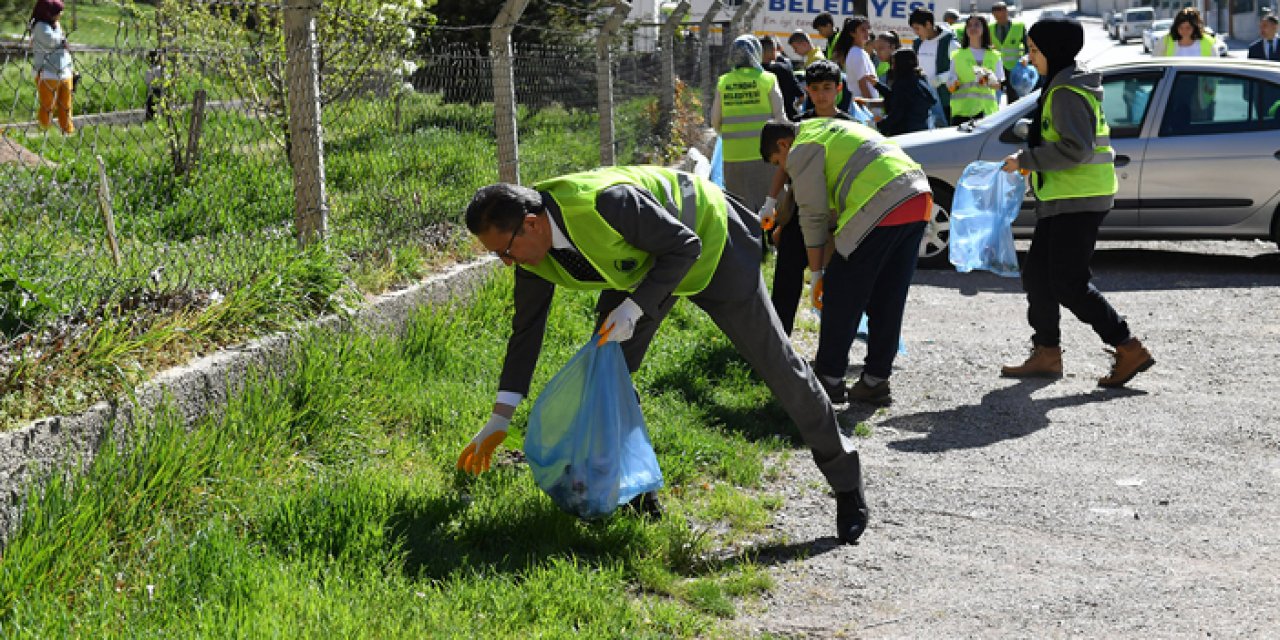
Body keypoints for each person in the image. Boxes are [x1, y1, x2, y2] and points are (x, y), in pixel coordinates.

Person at [458, 166, 870, 544]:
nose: (507, 263)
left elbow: (683, 246)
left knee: (777, 365)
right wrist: (500, 418)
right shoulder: (532, 254)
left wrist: (635, 308)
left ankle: (845, 481)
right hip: (643, 261)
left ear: (531, 224)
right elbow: (526, 331)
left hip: (710, 241)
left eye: (504, 251)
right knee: (608, 372)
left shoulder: (605, 203)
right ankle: (638, 493)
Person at [999, 18, 1155, 388]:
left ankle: (1127, 346)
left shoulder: (1066, 91)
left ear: (1053, 51)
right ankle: (1047, 353)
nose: (1030, 57)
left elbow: (1076, 149)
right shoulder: (1063, 83)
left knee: (1068, 283)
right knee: (1038, 276)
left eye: (1035, 50)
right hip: (1065, 197)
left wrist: (1026, 161)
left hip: (1079, 197)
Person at [760, 119, 932, 407]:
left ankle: (827, 381)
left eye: (780, 162)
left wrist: (817, 274)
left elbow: (812, 217)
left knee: (841, 291)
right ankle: (876, 381)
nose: (785, 170)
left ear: (783, 144)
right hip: (918, 194)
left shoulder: (802, 149)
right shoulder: (824, 127)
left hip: (883, 199)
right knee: (888, 295)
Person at [759, 59, 858, 336]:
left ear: (838, 88)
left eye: (827, 87)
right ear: (808, 91)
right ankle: (778, 343)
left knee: (836, 283)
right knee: (786, 280)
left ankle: (834, 346)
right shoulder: (798, 126)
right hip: (801, 213)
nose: (821, 94)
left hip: (838, 218)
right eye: (815, 89)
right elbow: (784, 165)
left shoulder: (850, 127)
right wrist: (770, 202)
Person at [711, 35, 788, 212]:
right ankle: (768, 240)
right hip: (767, 156)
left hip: (733, 157)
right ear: (757, 53)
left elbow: (715, 121)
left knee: (741, 213)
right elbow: (781, 119)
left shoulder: (724, 82)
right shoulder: (768, 79)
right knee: (772, 209)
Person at [859, 48, 936, 136]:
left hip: (905, 133)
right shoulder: (919, 80)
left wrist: (878, 125)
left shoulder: (902, 84)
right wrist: (877, 85)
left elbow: (897, 113)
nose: (892, 67)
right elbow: (897, 97)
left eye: (894, 64)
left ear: (901, 65)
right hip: (922, 130)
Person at [945, 14, 1004, 125]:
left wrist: (985, 79)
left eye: (977, 25)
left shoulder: (995, 55)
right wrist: (952, 84)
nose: (972, 28)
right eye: (969, 25)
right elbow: (951, 81)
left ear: (984, 29)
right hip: (963, 112)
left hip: (987, 112)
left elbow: (999, 85)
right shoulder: (957, 55)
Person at [28, 0, 74, 135]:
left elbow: (60, 41)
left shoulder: (56, 25)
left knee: (66, 105)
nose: (61, 14)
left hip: (64, 71)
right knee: (48, 105)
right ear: (48, 13)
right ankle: (44, 129)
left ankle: (68, 130)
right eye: (57, 12)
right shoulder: (40, 26)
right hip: (47, 72)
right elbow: (51, 41)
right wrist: (63, 40)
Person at [910, 8, 958, 127]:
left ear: (928, 24)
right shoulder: (917, 44)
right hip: (923, 101)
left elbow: (958, 70)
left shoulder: (950, 43)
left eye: (917, 28)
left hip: (946, 99)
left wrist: (939, 79)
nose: (916, 32)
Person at [989, 1, 1028, 108]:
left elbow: (1028, 46)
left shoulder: (1018, 26)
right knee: (995, 96)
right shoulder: (990, 28)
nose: (999, 20)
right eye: (996, 17)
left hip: (1014, 67)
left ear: (1006, 12)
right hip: (996, 68)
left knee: (1013, 98)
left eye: (1001, 17)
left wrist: (1026, 58)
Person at [834, 16, 879, 104]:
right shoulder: (856, 53)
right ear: (852, 33)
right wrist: (872, 105)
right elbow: (862, 84)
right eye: (863, 30)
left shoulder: (860, 52)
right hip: (863, 105)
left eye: (868, 29)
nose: (867, 33)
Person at [763, 35, 804, 121]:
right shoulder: (784, 69)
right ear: (773, 50)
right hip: (787, 118)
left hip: (765, 120)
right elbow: (801, 96)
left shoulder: (756, 72)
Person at [144, 49, 165, 121]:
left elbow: (147, 82)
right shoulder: (162, 70)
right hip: (160, 92)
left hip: (152, 93)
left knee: (150, 109)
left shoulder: (148, 71)